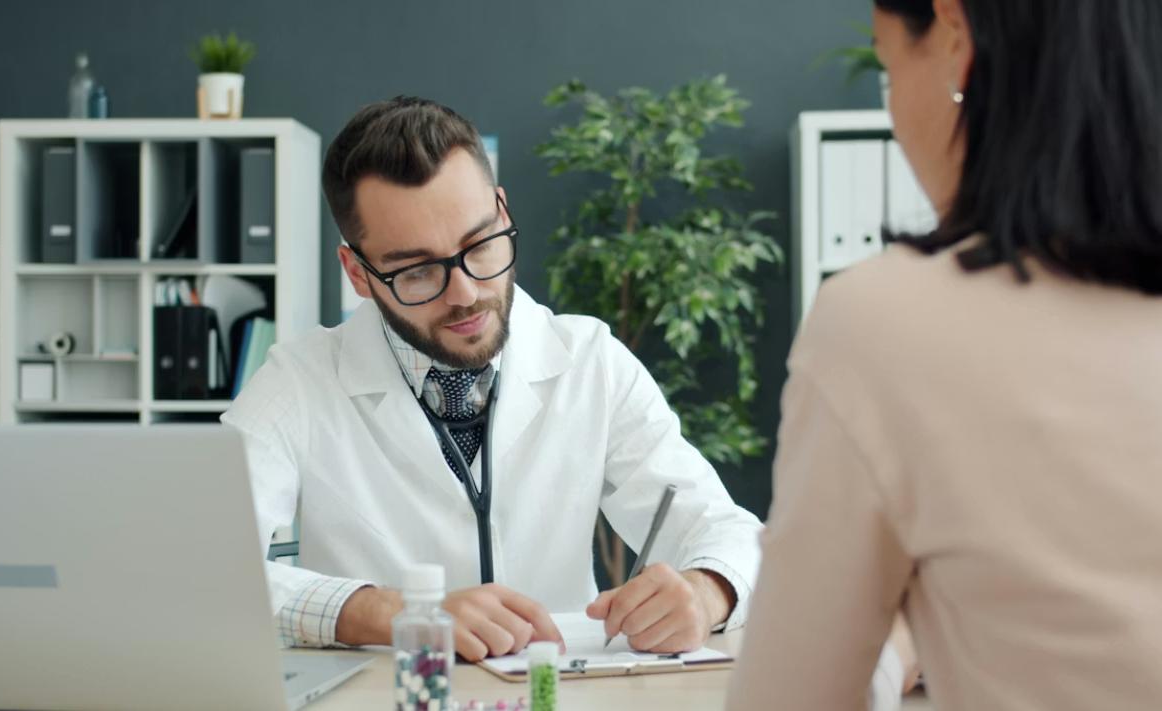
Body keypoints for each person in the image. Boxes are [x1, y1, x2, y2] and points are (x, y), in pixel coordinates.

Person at [729, 0, 1162, 709]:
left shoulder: (881, 327)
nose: (894, 110)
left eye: (886, 67)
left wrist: (899, 641)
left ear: (954, 37)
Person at [221, 96, 763, 662]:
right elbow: (198, 567)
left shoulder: (590, 361)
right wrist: (396, 613)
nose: (466, 294)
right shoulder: (299, 382)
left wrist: (707, 593)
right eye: (416, 269)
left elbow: (725, 528)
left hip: (554, 693)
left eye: (479, 246)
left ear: (502, 212)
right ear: (359, 273)